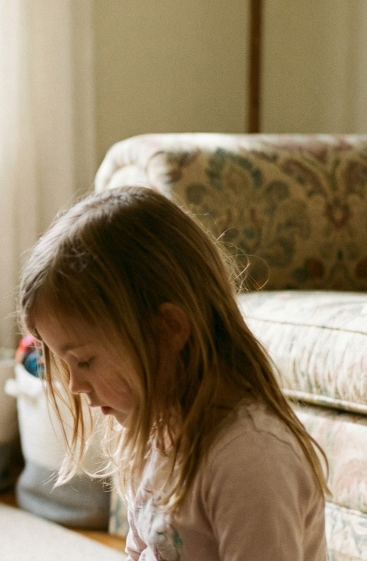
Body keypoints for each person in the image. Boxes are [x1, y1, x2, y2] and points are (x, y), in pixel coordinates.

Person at [17, 186, 327, 560]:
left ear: (167, 330)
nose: (75, 385)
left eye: (84, 361)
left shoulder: (249, 461)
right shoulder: (156, 430)